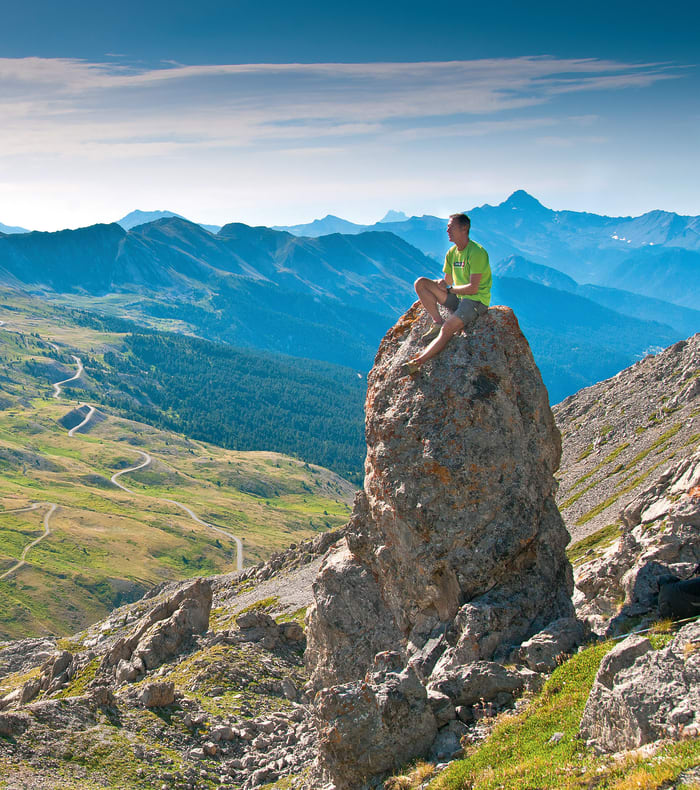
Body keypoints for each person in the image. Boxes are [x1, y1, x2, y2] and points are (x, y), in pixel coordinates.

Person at [402, 213, 491, 375]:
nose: (447, 230)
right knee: (421, 283)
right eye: (448, 227)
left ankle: (418, 361)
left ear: (464, 229)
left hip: (475, 301)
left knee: (448, 328)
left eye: (451, 227)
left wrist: (449, 289)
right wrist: (441, 285)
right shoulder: (452, 252)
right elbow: (448, 280)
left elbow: (473, 288)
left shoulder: (477, 252)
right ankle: (437, 321)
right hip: (459, 297)